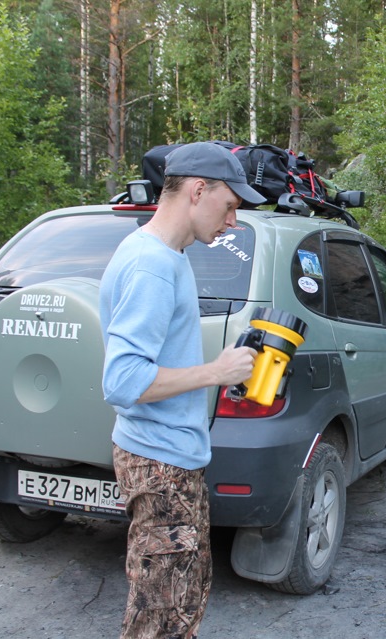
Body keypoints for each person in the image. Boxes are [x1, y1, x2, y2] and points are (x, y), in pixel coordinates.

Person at [100, 142, 263, 638]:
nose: (233, 221)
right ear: (197, 190)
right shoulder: (153, 265)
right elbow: (123, 381)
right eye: (230, 204)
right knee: (162, 618)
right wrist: (216, 372)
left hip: (167, 458)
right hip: (160, 465)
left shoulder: (159, 254)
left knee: (180, 601)